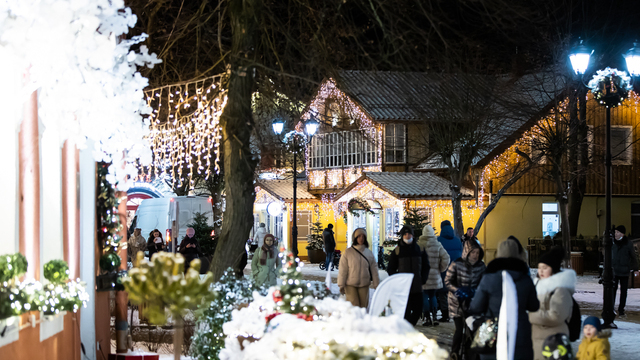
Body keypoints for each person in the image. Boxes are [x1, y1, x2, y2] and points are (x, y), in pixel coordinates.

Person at [468, 238, 540, 360]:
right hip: (519, 332)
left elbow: (475, 307)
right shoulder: (525, 279)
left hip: (492, 334)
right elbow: (534, 306)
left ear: (498, 254)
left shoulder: (489, 278)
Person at [529, 247, 576, 360]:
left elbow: (555, 316)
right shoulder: (537, 286)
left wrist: (530, 315)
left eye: (545, 268)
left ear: (553, 269)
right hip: (537, 341)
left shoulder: (561, 290)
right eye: (539, 267)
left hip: (553, 341)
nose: (540, 271)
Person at [445, 239, 486, 357]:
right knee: (459, 329)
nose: (476, 255)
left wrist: (475, 292)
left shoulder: (481, 266)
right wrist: (457, 290)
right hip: (456, 302)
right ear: (467, 252)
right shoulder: (456, 264)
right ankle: (455, 352)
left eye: (478, 253)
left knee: (471, 328)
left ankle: (469, 353)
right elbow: (448, 281)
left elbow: (484, 283)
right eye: (473, 253)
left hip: (473, 302)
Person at [388, 225, 430, 326]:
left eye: (409, 234)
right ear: (402, 236)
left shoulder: (419, 249)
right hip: (403, 289)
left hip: (417, 287)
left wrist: (423, 279)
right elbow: (390, 268)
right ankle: (407, 330)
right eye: (405, 234)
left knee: (418, 311)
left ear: (413, 235)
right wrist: (398, 280)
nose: (407, 236)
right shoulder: (397, 251)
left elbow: (426, 266)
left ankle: (409, 327)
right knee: (405, 312)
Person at [417, 224, 450, 326]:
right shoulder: (437, 244)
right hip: (435, 275)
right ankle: (435, 317)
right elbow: (446, 258)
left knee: (424, 296)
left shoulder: (419, 244)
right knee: (433, 296)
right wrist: (441, 268)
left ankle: (427, 318)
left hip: (423, 276)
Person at [338, 228, 380, 308]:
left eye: (363, 236)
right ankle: (353, 320)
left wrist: (376, 283)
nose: (361, 238)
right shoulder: (348, 252)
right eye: (359, 236)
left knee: (363, 307)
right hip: (350, 284)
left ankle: (362, 320)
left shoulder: (368, 253)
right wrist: (341, 284)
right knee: (354, 306)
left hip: (364, 284)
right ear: (355, 238)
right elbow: (343, 269)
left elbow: (374, 269)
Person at [436, 220, 463, 322]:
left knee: (442, 293)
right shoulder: (457, 240)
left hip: (443, 269)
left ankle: (445, 314)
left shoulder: (438, 240)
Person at [611, 225, 638, 317]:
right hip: (615, 270)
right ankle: (611, 308)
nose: (616, 234)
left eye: (618, 232)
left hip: (624, 271)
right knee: (612, 290)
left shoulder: (628, 244)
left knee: (623, 292)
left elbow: (633, 256)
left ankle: (621, 310)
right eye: (615, 232)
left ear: (622, 234)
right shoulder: (612, 243)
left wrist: (635, 269)